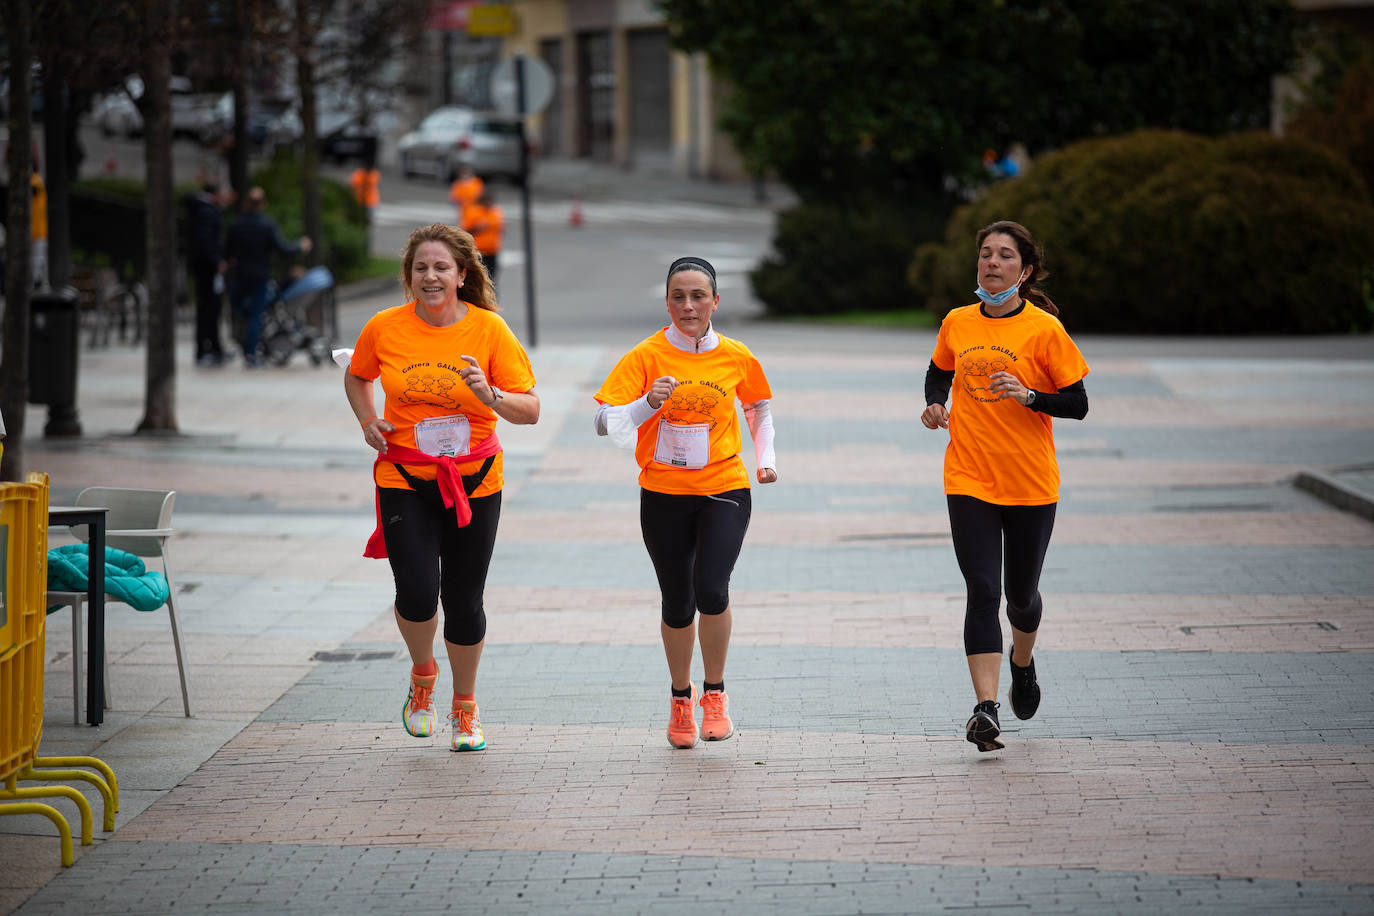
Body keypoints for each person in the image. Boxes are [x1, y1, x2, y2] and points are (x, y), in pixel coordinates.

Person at [344, 223, 539, 753]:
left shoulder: (490, 330)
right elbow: (358, 375)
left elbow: (531, 410)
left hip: (474, 481)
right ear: (409, 276)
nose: (430, 276)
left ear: (462, 275)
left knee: (463, 598)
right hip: (404, 475)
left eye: (441, 267)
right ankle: (423, 675)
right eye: (420, 268)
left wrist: (491, 394)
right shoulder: (384, 327)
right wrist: (367, 420)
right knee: (415, 590)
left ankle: (466, 706)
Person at [593, 256, 777, 749]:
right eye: (679, 296)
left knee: (712, 590)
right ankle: (680, 699)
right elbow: (602, 422)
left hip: (725, 487)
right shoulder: (646, 355)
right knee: (678, 602)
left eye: (699, 296)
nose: (689, 305)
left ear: (715, 301)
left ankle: (714, 694)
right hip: (664, 493)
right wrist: (645, 404)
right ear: (667, 302)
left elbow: (757, 407)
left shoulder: (736, 354)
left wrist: (767, 457)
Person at [920, 220, 1090, 753]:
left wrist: (1030, 396)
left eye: (1006, 256)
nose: (993, 263)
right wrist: (934, 403)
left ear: (1026, 269)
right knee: (982, 592)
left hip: (1030, 482)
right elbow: (937, 370)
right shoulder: (957, 321)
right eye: (986, 255)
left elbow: (1078, 403)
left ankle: (1023, 661)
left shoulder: (1044, 330)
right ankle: (986, 709)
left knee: (1021, 598)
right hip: (968, 476)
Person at [224, 186, 311, 367]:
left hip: (240, 275)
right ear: (263, 204)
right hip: (260, 276)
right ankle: (251, 352)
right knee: (257, 314)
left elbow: (227, 250)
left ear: (246, 203)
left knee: (242, 312)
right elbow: (283, 249)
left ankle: (244, 343)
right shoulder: (266, 224)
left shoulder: (236, 224)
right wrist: (300, 246)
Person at [184, 173, 228, 366]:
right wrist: (217, 260)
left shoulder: (202, 209)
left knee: (208, 308)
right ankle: (207, 348)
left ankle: (212, 347)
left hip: (203, 267)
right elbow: (206, 241)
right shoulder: (207, 211)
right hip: (207, 269)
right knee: (209, 309)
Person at [460, 187, 504, 288]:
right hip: (478, 252)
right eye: (487, 200)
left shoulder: (496, 211)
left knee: (492, 279)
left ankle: (490, 300)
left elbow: (501, 228)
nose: (489, 203)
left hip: (492, 251)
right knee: (477, 279)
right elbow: (464, 231)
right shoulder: (473, 211)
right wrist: (477, 228)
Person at [30, 165, 48, 290]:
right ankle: (36, 281)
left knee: (37, 259)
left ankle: (36, 282)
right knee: (37, 259)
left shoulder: (35, 180)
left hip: (37, 231)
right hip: (36, 230)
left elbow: (34, 189)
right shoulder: (36, 180)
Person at [349, 157, 381, 224]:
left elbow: (371, 183)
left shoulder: (374, 174)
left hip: (371, 201)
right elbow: (353, 185)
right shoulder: (358, 174)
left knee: (369, 221)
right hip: (359, 201)